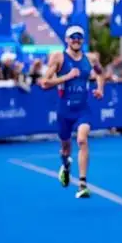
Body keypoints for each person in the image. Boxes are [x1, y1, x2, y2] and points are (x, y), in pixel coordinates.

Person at [40, 26, 105, 198]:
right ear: (67, 39)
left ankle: (82, 184)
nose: (76, 40)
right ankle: (66, 166)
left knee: (82, 140)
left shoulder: (90, 58)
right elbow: (44, 83)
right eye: (73, 37)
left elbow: (100, 73)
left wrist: (99, 88)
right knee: (66, 147)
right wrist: (66, 77)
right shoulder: (59, 57)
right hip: (64, 110)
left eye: (79, 37)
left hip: (83, 109)